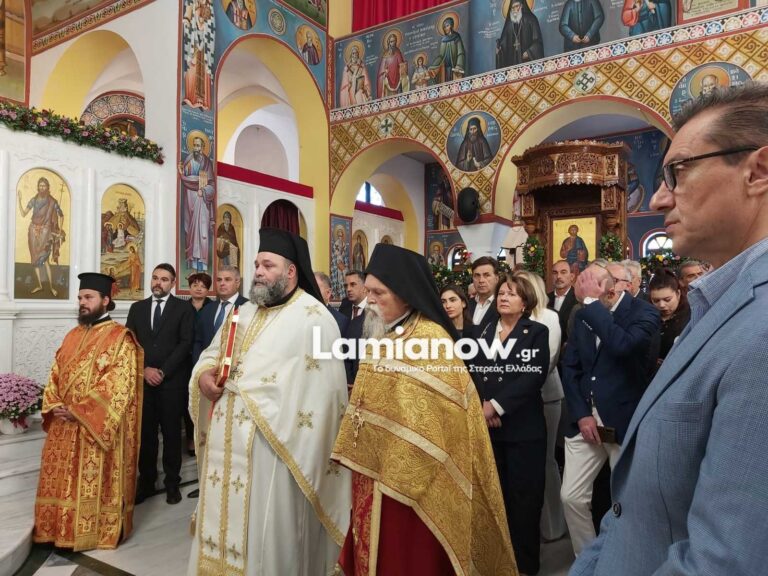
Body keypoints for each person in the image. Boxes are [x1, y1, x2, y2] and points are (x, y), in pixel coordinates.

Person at [570, 81, 768, 576]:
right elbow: (632, 510)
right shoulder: (720, 304)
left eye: (677, 172)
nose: (658, 199)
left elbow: (722, 561)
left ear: (758, 171)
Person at [333, 244, 516, 575]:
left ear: (405, 295)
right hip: (373, 474)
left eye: (378, 292)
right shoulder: (384, 334)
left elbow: (440, 424)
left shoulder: (432, 340)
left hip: (415, 489)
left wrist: (396, 463)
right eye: (368, 291)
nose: (369, 300)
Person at [188, 228, 350, 575]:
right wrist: (203, 377)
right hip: (226, 448)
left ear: (290, 271)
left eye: (268, 266)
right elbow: (213, 353)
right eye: (257, 265)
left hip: (274, 451)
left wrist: (250, 392)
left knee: (263, 538)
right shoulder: (244, 312)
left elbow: (324, 394)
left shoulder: (314, 317)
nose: (259, 272)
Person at [33, 273, 142, 550]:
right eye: (80, 297)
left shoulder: (120, 338)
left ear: (105, 300)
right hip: (63, 423)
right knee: (60, 480)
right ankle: (56, 529)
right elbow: (55, 372)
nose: (82, 302)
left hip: (92, 427)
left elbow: (119, 384)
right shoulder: (72, 335)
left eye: (88, 297)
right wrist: (54, 403)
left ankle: (89, 532)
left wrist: (80, 410)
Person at [561, 262, 660, 557]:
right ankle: (587, 559)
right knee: (571, 497)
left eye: (603, 280)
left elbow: (622, 346)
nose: (594, 286)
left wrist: (593, 305)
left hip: (622, 419)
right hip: (586, 420)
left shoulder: (644, 313)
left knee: (625, 500)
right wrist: (582, 413)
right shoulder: (583, 315)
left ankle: (622, 559)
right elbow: (571, 368)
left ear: (621, 286)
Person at [469, 273, 550, 575]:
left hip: (523, 431)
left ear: (525, 302)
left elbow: (533, 376)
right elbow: (474, 369)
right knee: (496, 499)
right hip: (490, 430)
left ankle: (524, 567)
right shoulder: (484, 330)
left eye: (512, 294)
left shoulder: (536, 332)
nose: (504, 298)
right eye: (502, 293)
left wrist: (496, 406)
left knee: (524, 501)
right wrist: (482, 403)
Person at [126, 263, 194, 505]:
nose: (158, 282)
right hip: (144, 383)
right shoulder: (137, 308)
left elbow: (185, 344)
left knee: (172, 435)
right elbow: (129, 343)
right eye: (155, 278)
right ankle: (147, 482)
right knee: (146, 436)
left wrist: (163, 371)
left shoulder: (184, 309)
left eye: (164, 279)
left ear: (173, 283)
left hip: (172, 384)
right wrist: (144, 370)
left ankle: (172, 483)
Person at [516, 270, 567, 543]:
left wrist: (517, 389)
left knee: (546, 460)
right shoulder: (510, 318)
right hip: (515, 402)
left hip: (545, 396)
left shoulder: (549, 317)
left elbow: (549, 359)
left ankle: (553, 525)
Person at [17, 176, 65, 296]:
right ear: (38, 187)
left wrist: (60, 229)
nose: (42, 188)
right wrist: (19, 200)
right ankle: (39, 285)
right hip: (33, 231)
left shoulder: (52, 201)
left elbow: (61, 215)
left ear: (48, 187)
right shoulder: (34, 200)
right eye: (40, 185)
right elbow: (23, 214)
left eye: (44, 186)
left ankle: (51, 287)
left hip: (45, 232)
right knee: (35, 259)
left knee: (45, 259)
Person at [179, 135, 215, 273]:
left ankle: (203, 266)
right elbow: (185, 177)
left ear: (203, 148)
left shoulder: (207, 163)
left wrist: (204, 191)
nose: (196, 148)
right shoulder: (188, 160)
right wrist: (182, 173)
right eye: (194, 145)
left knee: (202, 232)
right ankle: (193, 266)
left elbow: (211, 184)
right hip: (189, 198)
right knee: (190, 231)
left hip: (202, 199)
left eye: (199, 146)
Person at [648, 269, 690, 371]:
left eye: (667, 300)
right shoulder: (647, 315)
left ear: (678, 294)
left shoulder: (691, 315)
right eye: (656, 300)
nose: (662, 305)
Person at [496, 0, 544, 68]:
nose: (514, 10)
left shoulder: (531, 19)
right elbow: (503, 44)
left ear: (521, 6)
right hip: (512, 66)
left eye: (516, 6)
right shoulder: (509, 24)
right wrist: (499, 48)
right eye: (512, 8)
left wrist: (529, 52)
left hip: (528, 64)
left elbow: (538, 42)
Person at [547, 259, 578, 344]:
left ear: (572, 276)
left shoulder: (578, 299)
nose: (558, 276)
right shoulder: (545, 299)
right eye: (555, 273)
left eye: (563, 272)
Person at [428, 17, 466, 83]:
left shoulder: (456, 37)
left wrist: (459, 65)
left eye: (447, 26)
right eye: (444, 27)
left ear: (451, 25)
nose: (445, 28)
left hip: (455, 66)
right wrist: (433, 66)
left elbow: (460, 52)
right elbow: (441, 56)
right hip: (445, 69)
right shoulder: (443, 40)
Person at [469, 256, 501, 328]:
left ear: (496, 279)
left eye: (487, 275)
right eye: (477, 275)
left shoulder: (502, 305)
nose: (481, 280)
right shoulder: (467, 305)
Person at [377, 32, 406, 98]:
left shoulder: (398, 52)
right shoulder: (385, 55)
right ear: (388, 42)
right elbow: (381, 71)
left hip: (397, 78)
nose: (393, 43)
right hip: (387, 81)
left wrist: (403, 68)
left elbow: (401, 66)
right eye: (391, 41)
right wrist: (384, 73)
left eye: (394, 41)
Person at [331, 227, 349, 299]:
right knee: (338, 278)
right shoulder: (336, 243)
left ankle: (342, 293)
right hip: (337, 262)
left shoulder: (344, 244)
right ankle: (337, 292)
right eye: (339, 236)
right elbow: (336, 252)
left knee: (342, 277)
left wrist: (342, 257)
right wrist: (339, 257)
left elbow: (344, 253)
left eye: (341, 236)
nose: (340, 237)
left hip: (342, 263)